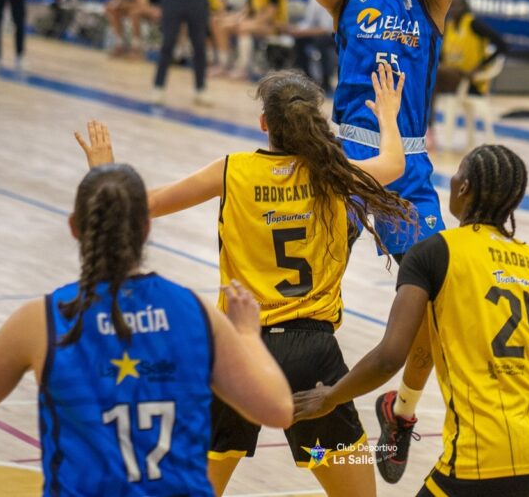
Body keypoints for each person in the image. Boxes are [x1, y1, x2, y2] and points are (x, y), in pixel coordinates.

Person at [76, 63, 412, 497]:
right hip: (312, 356)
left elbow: (144, 205)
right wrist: (388, 114)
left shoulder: (231, 170)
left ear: (263, 124)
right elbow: (394, 163)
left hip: (237, 351)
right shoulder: (335, 174)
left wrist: (103, 168)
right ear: (315, 122)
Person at [295, 143, 529, 497]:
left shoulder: (434, 253)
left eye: (456, 174)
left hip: (483, 460)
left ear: (463, 187)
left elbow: (389, 357)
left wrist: (331, 397)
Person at [0, 162, 293, 496]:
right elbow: (278, 409)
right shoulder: (196, 313)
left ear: (74, 227)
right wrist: (248, 334)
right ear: (146, 227)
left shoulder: (40, 321)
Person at [305, 0, 453, 484]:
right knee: (302, 281)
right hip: (350, 156)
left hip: (411, 163)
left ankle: (403, 409)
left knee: (431, 304)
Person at [429, 0, 508, 145]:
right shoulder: (450, 26)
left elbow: (502, 45)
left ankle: (428, 129)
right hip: (450, 78)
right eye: (450, 6)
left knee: (432, 76)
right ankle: (429, 128)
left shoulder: (474, 24)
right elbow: (443, 56)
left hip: (469, 80)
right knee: (429, 77)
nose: (452, 9)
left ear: (465, 8)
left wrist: (482, 66)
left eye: (456, 6)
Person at [288, 0, 336, 94]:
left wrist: (305, 32)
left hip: (333, 35)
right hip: (317, 32)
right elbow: (308, 22)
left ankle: (326, 82)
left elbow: (326, 29)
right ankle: (307, 79)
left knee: (322, 41)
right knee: (299, 39)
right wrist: (297, 29)